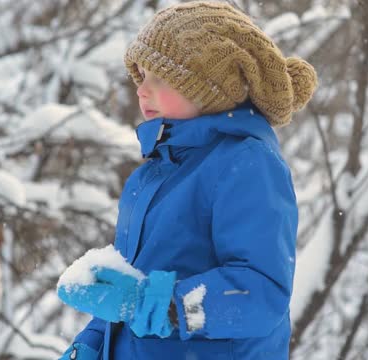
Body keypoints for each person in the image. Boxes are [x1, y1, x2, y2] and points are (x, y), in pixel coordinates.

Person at [58, 1, 317, 359]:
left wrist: (161, 306)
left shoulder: (248, 164)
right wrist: (91, 343)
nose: (141, 90)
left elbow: (261, 293)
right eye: (141, 76)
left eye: (159, 78)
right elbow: (129, 290)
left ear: (208, 88)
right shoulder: (153, 173)